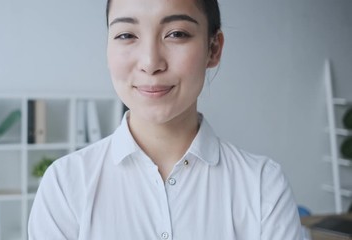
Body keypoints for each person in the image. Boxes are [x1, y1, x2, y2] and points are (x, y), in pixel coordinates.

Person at [28, 0, 303, 239]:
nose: (150, 62)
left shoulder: (262, 186)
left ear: (213, 49)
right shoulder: (65, 185)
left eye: (176, 34)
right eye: (126, 35)